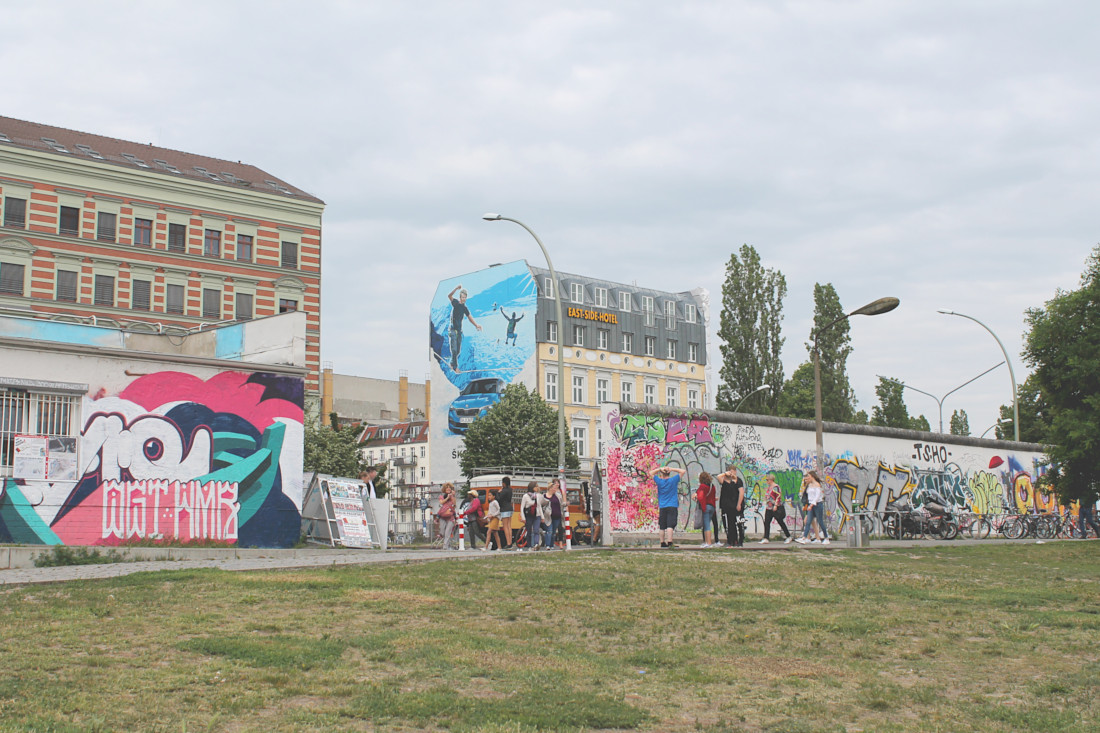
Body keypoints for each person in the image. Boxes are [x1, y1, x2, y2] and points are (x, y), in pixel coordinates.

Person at [649, 464, 686, 548]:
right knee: (670, 525)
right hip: (672, 505)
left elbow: (651, 473)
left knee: (662, 526)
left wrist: (660, 469)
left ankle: (662, 542)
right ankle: (670, 542)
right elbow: (683, 471)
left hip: (662, 506)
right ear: (669, 473)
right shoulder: (673, 480)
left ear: (662, 474)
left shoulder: (659, 481)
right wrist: (671, 468)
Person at [447, 284, 482, 371]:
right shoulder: (455, 303)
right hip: (452, 329)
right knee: (454, 349)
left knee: (458, 351)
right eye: (462, 297)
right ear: (460, 297)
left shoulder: (464, 308)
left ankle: (451, 363)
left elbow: (469, 317)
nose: (464, 299)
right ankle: (455, 367)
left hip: (459, 331)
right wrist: (456, 288)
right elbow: (449, 296)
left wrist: (476, 325)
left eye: (465, 297)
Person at [796, 471, 829, 545]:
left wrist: (811, 505)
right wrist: (808, 504)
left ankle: (826, 537)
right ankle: (804, 538)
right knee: (808, 521)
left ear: (812, 476)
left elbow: (817, 496)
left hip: (817, 505)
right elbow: (808, 495)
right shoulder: (809, 485)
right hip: (810, 504)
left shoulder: (817, 485)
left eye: (808, 476)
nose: (807, 478)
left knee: (820, 521)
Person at [716, 465, 745, 547]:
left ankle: (740, 541)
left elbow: (741, 493)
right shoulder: (725, 482)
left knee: (739, 523)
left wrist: (739, 504)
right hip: (727, 506)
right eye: (730, 471)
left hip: (735, 505)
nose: (731, 473)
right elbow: (718, 477)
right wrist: (725, 474)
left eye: (733, 471)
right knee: (729, 524)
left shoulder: (738, 481)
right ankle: (731, 540)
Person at [760, 473, 792, 544]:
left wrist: (776, 505)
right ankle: (766, 538)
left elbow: (778, 496)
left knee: (780, 521)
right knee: (767, 522)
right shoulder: (769, 487)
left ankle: (788, 536)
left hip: (775, 507)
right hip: (769, 507)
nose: (767, 481)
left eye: (767, 480)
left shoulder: (776, 487)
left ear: (771, 480)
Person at [696, 471, 719, 548]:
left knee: (706, 525)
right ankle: (707, 542)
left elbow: (700, 497)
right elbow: (713, 496)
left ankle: (708, 543)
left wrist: (702, 506)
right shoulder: (712, 486)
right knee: (707, 524)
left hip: (706, 506)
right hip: (712, 506)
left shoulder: (702, 486)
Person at [520, 482, 542, 550]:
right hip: (529, 515)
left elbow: (539, 506)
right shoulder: (525, 496)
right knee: (529, 531)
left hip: (536, 514)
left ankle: (536, 544)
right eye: (536, 486)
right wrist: (523, 517)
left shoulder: (537, 496)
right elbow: (522, 507)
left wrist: (542, 516)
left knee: (536, 530)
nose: (537, 488)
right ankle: (529, 546)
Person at [544, 480, 565, 549]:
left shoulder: (558, 496)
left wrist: (565, 504)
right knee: (549, 530)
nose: (555, 489)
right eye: (553, 488)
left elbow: (561, 503)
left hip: (557, 516)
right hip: (548, 516)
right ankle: (547, 545)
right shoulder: (544, 496)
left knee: (553, 531)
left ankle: (551, 545)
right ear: (550, 488)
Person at [436, 483, 457, 549]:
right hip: (442, 516)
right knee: (442, 531)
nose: (448, 488)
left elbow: (454, 504)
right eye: (447, 487)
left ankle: (445, 546)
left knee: (447, 532)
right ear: (444, 489)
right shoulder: (441, 496)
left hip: (450, 517)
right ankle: (443, 539)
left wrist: (453, 496)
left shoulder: (452, 497)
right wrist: (447, 497)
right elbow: (441, 502)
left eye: (449, 487)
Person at [497, 476, 514, 550]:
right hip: (510, 508)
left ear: (504, 483)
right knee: (509, 526)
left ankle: (508, 543)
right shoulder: (510, 490)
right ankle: (510, 542)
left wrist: (498, 492)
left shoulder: (504, 491)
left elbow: (499, 499)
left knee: (505, 526)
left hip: (504, 509)